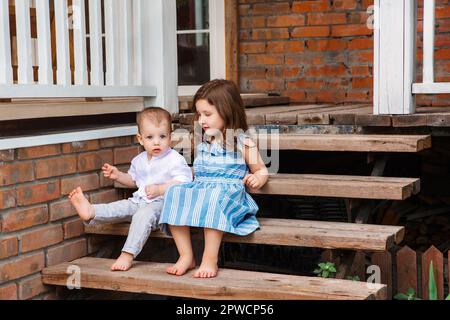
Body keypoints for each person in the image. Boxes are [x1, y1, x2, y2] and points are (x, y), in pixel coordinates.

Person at [159, 79, 269, 278]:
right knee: (174, 193)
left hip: (228, 196)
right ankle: (186, 256)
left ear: (227, 111)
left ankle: (210, 259)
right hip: (203, 190)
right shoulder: (203, 141)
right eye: (199, 114)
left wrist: (258, 178)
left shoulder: (242, 141)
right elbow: (198, 170)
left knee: (213, 198)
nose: (201, 120)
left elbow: (261, 169)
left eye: (207, 114)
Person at [68, 107, 193, 271]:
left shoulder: (174, 160)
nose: (157, 142)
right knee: (120, 206)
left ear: (170, 137)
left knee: (143, 215)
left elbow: (185, 181)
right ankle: (91, 211)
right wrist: (118, 175)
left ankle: (127, 254)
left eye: (162, 136)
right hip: (139, 200)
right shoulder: (139, 160)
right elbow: (133, 180)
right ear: (140, 139)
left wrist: (161, 189)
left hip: (162, 205)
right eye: (150, 137)